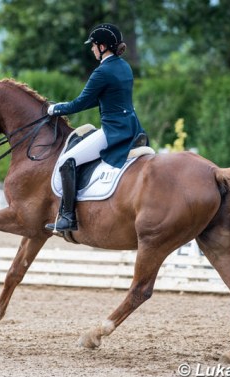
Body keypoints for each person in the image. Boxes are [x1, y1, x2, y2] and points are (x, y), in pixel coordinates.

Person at [45, 23, 148, 232]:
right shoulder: (123, 66)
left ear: (103, 46)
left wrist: (55, 109)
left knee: (67, 160)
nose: (91, 49)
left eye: (93, 45)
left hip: (113, 131)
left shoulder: (102, 71)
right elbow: (101, 99)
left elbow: (80, 104)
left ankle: (67, 217)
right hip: (132, 127)